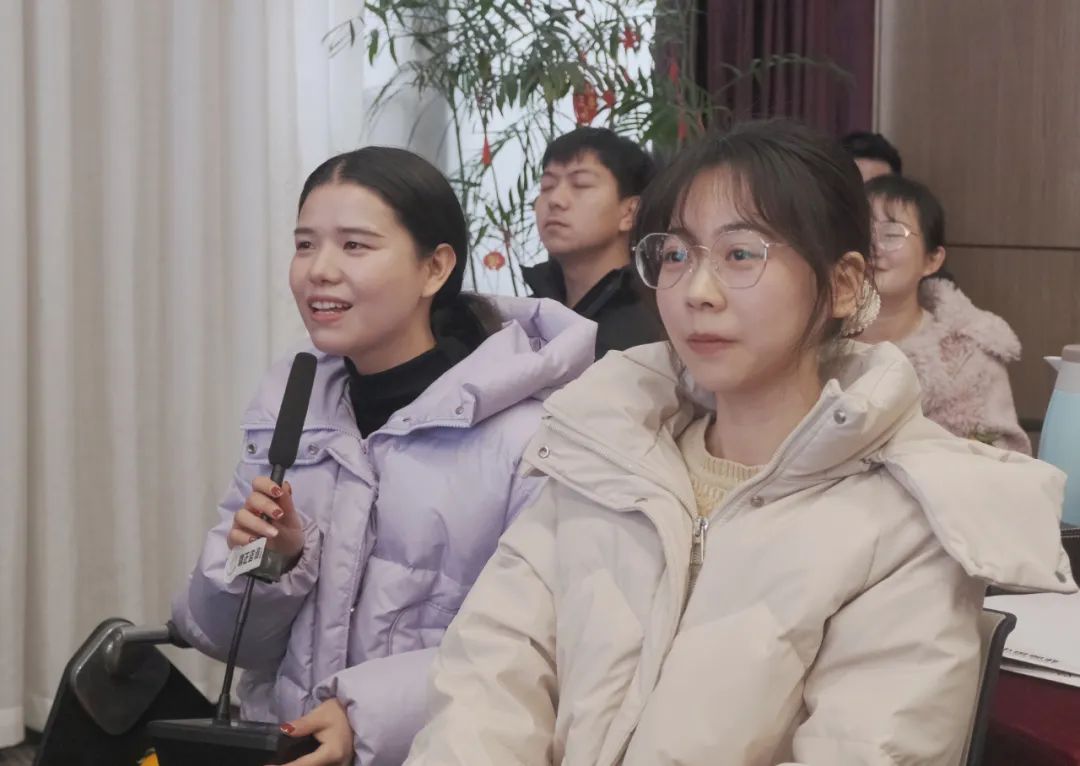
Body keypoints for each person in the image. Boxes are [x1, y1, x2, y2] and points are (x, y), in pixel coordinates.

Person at [404, 121, 1073, 765]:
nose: (696, 292)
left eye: (741, 254)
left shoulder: (908, 521)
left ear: (842, 285)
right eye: (675, 255)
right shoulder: (604, 451)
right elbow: (488, 679)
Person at [170, 147, 596, 766]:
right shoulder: (292, 411)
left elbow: (541, 647)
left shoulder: (531, 438)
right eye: (305, 245)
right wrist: (273, 561)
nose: (319, 270)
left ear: (435, 268)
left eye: (354, 246)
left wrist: (364, 717)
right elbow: (221, 635)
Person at [859, 174, 1030, 454]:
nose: (874, 247)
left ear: (932, 260)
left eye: (892, 234)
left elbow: (1002, 457)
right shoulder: (812, 342)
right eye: (862, 233)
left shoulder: (969, 354)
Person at [523, 127, 666, 356]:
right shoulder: (525, 317)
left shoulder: (659, 320)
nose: (555, 200)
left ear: (630, 212)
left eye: (581, 184)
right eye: (547, 186)